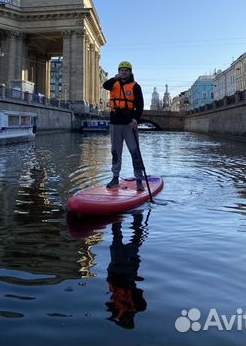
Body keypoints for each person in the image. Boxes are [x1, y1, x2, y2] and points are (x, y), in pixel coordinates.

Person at [103, 61, 145, 191]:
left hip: (128, 123)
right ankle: (115, 178)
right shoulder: (113, 84)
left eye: (126, 70)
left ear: (130, 72)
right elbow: (105, 85)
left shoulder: (135, 86)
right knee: (115, 152)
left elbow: (140, 105)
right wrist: (113, 78)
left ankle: (139, 179)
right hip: (115, 122)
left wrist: (135, 119)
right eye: (121, 70)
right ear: (119, 72)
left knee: (134, 151)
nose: (123, 72)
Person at [106, 212, 148, 328]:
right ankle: (137, 215)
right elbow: (139, 293)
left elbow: (109, 303)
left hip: (117, 270)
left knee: (118, 238)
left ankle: (119, 215)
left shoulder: (115, 309)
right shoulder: (139, 306)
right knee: (132, 240)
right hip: (126, 271)